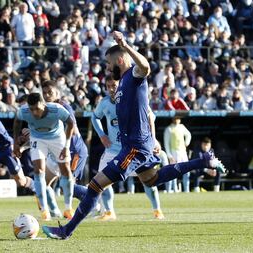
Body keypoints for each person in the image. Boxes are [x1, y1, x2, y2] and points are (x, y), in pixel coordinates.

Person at [42, 31, 225, 240]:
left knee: (95, 185)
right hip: (135, 144)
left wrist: (126, 45)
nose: (108, 69)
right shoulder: (121, 84)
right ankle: (203, 161)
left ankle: (66, 230)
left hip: (135, 148)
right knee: (152, 179)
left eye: (110, 65)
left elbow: (146, 67)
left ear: (121, 60)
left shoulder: (134, 76)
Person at [89, 75, 165, 220]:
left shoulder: (132, 98)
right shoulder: (104, 103)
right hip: (113, 150)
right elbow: (95, 117)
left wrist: (153, 139)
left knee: (149, 180)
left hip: (134, 149)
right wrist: (102, 135)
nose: (112, 89)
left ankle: (157, 210)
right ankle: (109, 212)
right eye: (108, 86)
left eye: (114, 85)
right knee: (100, 180)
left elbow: (150, 117)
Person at [13, 92, 75, 221]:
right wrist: (15, 143)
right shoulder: (24, 111)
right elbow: (17, 121)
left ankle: (68, 208)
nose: (35, 112)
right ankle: (44, 210)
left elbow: (70, 123)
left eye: (37, 108)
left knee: (66, 170)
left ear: (44, 104)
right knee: (38, 170)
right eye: (32, 109)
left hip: (57, 138)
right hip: (37, 138)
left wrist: (67, 146)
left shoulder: (56, 109)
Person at [42, 80, 89, 218]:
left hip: (74, 151)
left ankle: (93, 202)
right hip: (58, 153)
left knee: (67, 187)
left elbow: (72, 129)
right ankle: (54, 212)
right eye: (44, 93)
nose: (46, 95)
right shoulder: (45, 110)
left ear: (58, 93)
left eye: (50, 92)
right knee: (42, 184)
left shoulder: (63, 106)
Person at [163, 116, 192, 193]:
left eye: (178, 118)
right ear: (172, 119)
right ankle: (173, 189)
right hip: (174, 153)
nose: (176, 120)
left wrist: (186, 142)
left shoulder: (182, 127)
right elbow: (166, 143)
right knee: (174, 172)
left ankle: (186, 189)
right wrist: (169, 155)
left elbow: (188, 135)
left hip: (183, 152)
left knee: (186, 171)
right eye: (175, 118)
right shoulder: (168, 129)